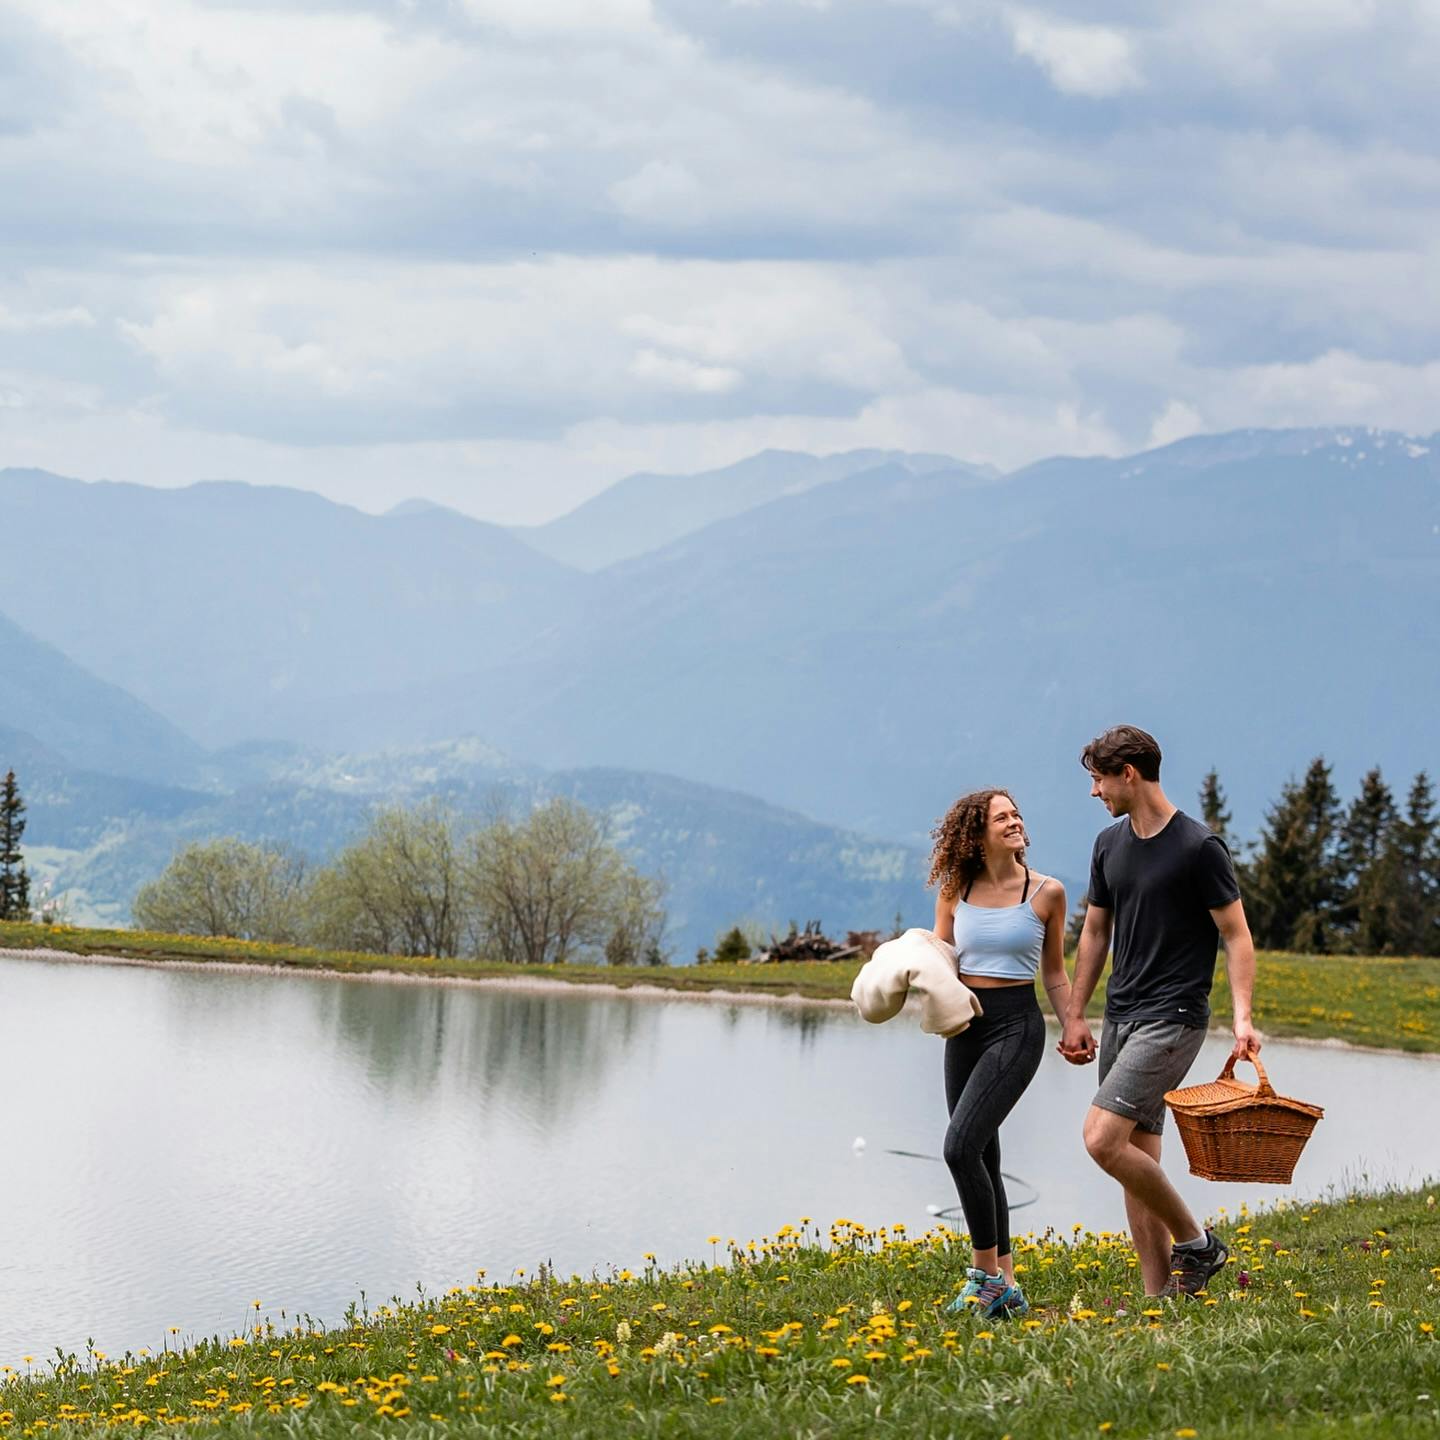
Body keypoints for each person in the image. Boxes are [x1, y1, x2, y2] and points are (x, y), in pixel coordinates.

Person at [1059, 725, 1260, 1299]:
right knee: (1135, 1155)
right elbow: (1096, 930)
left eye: (1099, 779)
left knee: (1102, 1140)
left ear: (1128, 773)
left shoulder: (1199, 848)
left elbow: (1237, 936)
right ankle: (1159, 1299)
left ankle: (1197, 1243)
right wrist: (1076, 1014)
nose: (1094, 792)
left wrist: (1242, 1019)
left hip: (1173, 1018)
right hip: (1121, 1015)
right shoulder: (1108, 845)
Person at [930, 787, 1073, 1319]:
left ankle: (984, 1278)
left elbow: (1054, 972)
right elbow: (940, 959)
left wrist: (1073, 1024)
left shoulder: (1046, 892)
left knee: (959, 1148)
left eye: (1016, 813)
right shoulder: (954, 889)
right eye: (1001, 817)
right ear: (977, 832)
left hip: (1016, 1026)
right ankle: (1006, 1285)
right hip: (963, 1027)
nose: (1014, 822)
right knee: (983, 1153)